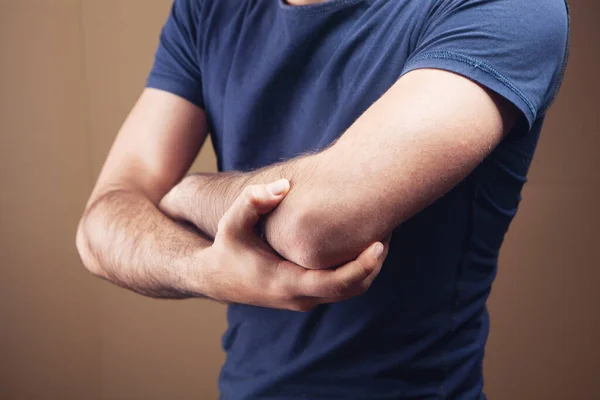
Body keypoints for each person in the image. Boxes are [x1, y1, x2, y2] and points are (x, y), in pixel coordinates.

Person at [76, 0, 570, 398]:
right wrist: (206, 270)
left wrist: (187, 193)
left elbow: (313, 229)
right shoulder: (208, 9)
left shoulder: (509, 9)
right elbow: (100, 229)